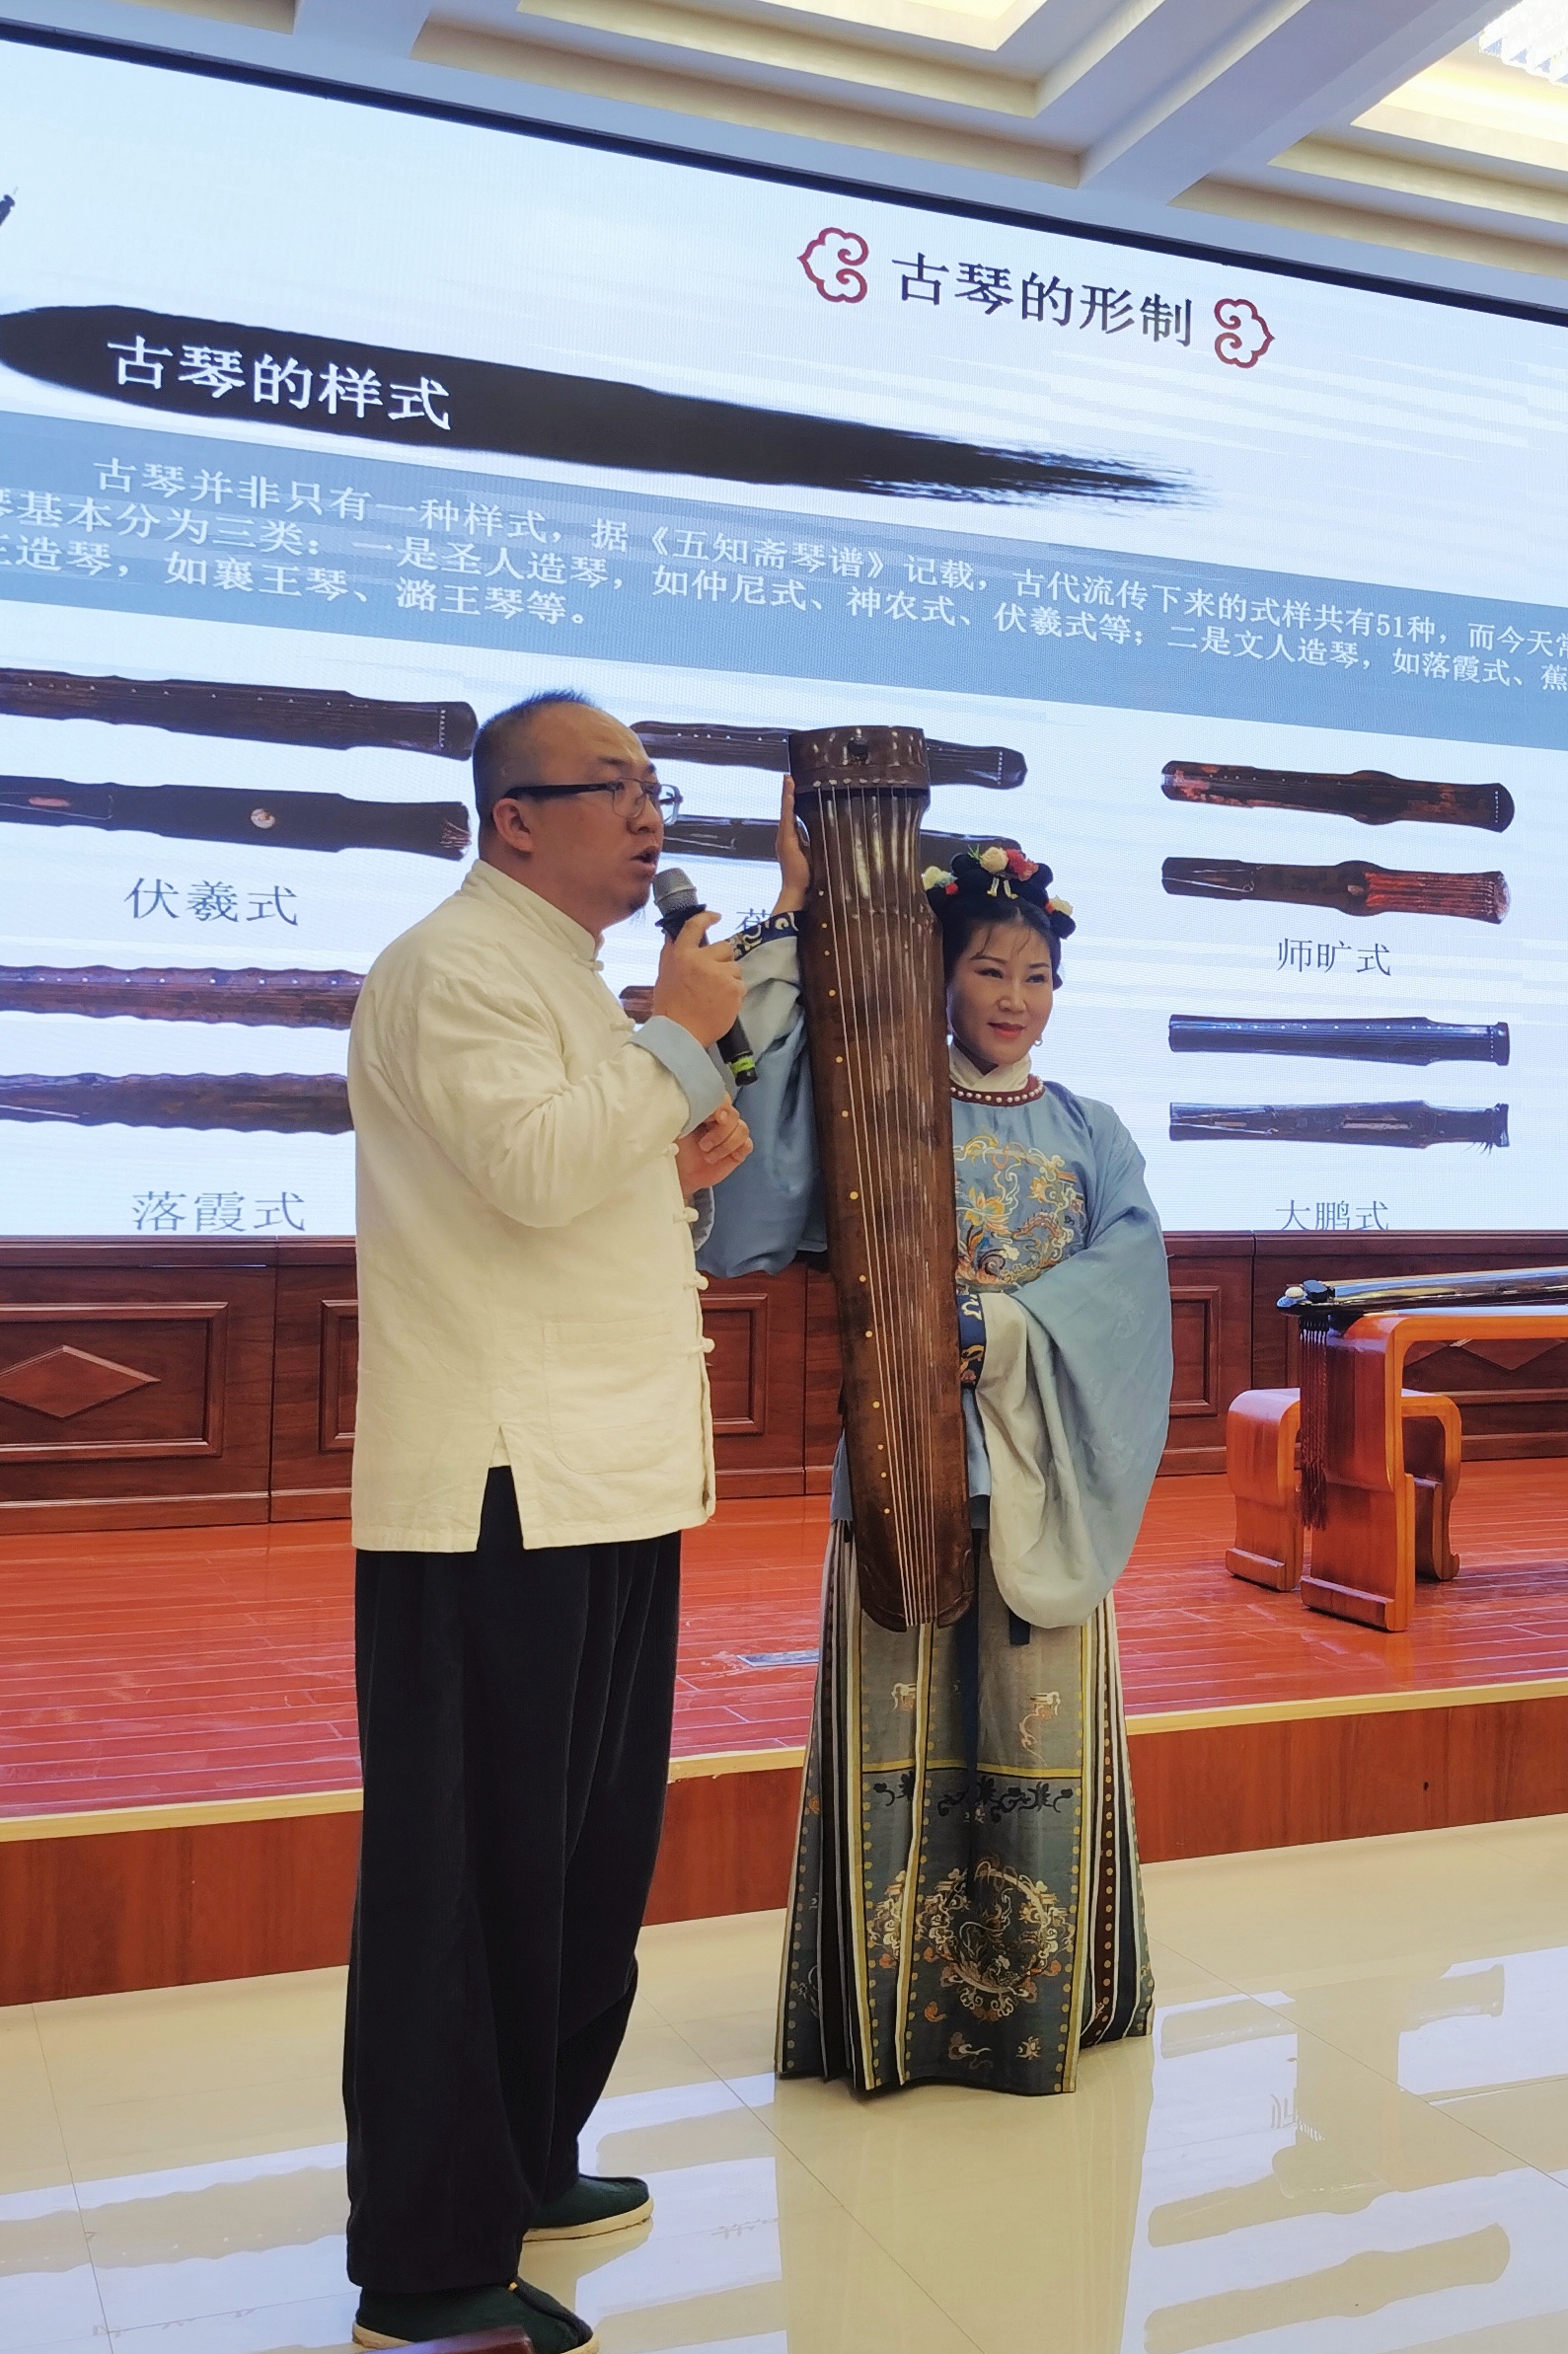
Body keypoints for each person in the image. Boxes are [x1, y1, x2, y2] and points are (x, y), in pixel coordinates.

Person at [342, 690, 751, 2351]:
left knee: (575, 1864)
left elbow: (568, 1186)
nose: (649, 816)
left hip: (604, 1475)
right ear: (514, 815)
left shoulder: (570, 975)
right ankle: (426, 2265)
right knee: (465, 1880)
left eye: (655, 787)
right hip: (497, 1489)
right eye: (613, 787)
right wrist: (678, 1040)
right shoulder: (454, 965)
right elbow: (525, 1166)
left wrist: (673, 1154)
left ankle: (516, 2161)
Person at [700, 787, 1172, 2098]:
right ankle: (889, 2017)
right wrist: (788, 921)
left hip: (1039, 1469)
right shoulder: (884, 1113)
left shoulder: (1090, 1132)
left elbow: (1127, 1293)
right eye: (987, 968)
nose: (1013, 996)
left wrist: (1000, 1325)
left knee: (1036, 1737)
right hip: (906, 1471)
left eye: (1036, 975)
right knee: (897, 1739)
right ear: (940, 974)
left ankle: (1041, 2007)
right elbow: (765, 1185)